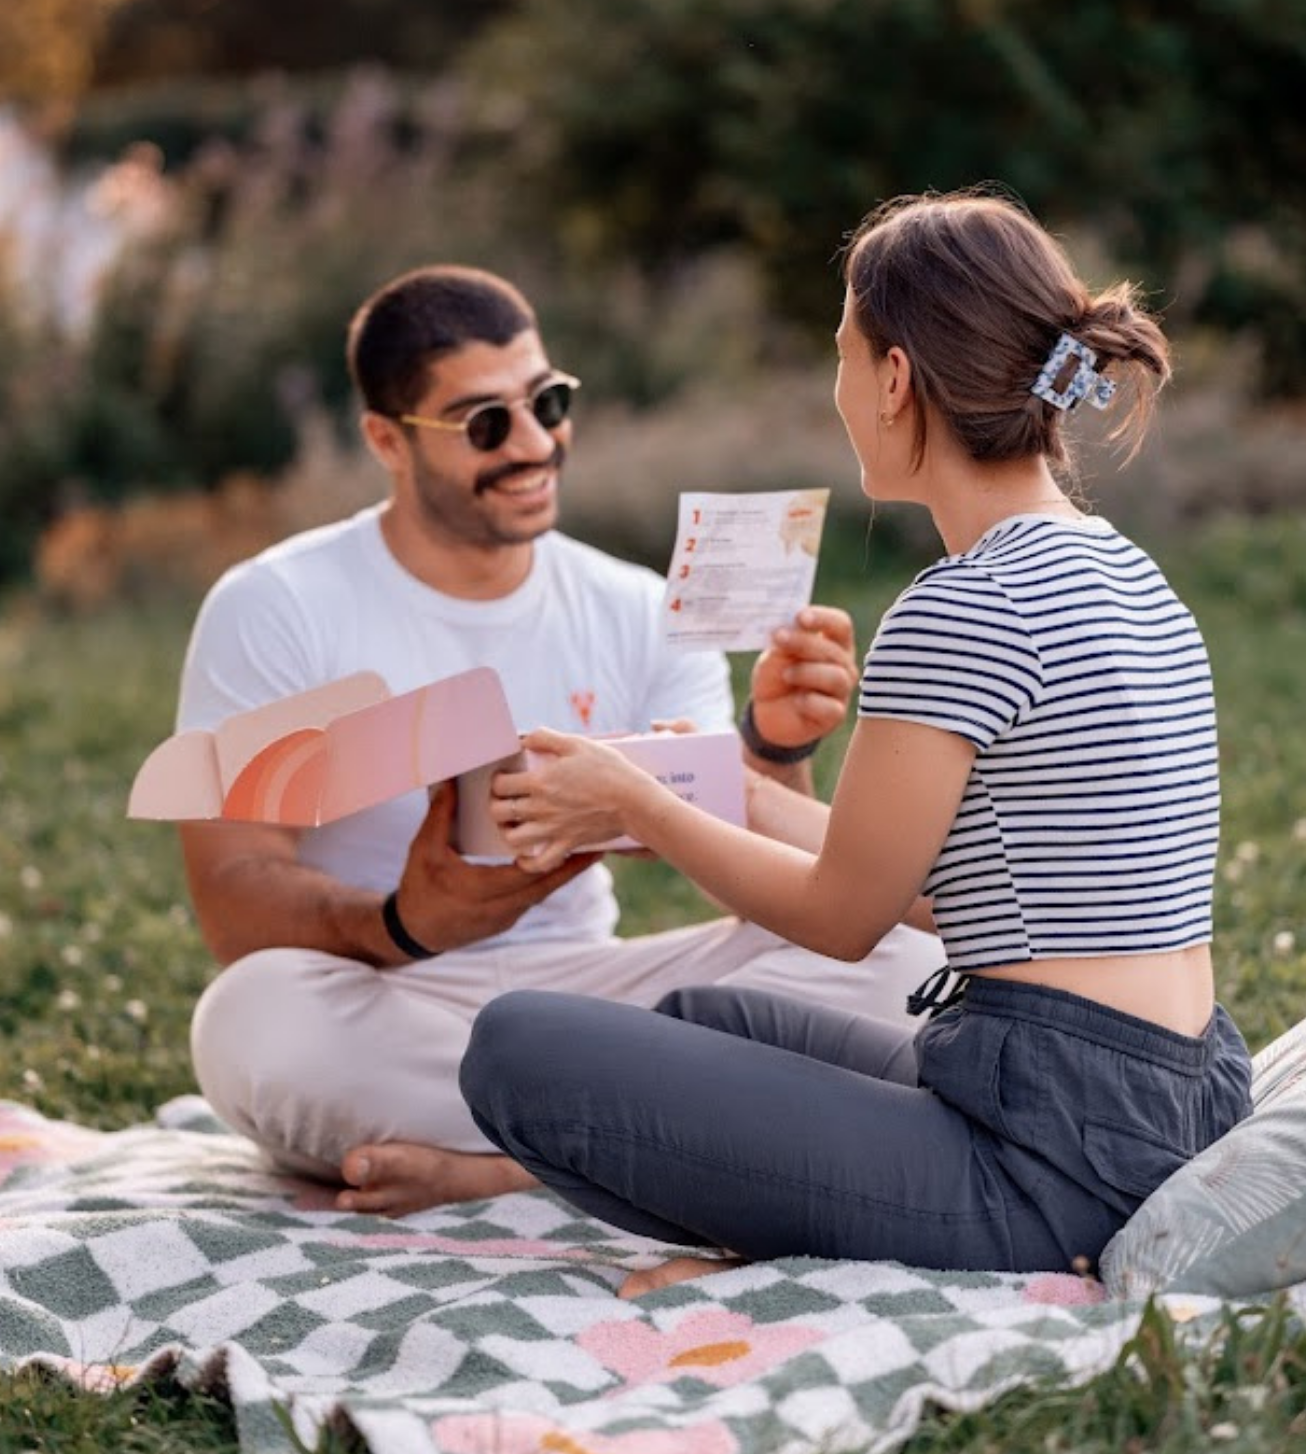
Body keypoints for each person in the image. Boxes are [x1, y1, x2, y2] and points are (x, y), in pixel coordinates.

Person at [459, 189, 1254, 1297]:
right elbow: (956, 889)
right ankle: (806, 1225)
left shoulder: (961, 606)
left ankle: (829, 1253)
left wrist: (638, 809)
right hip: (1177, 1091)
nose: (837, 390)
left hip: (1050, 1156)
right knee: (703, 1019)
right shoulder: (1123, 569)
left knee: (516, 1050)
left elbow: (844, 918)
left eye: (842, 354)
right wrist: (709, 788)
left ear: (893, 378)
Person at [176, 263, 938, 1216]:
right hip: (385, 996)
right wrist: (404, 923)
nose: (535, 443)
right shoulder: (278, 605)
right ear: (386, 439)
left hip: (598, 1004)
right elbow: (231, 893)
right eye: (485, 422)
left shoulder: (634, 606)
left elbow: (738, 871)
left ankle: (516, 1164)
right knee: (253, 1021)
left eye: (550, 400)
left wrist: (770, 749)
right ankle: (668, 1139)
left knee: (906, 969)